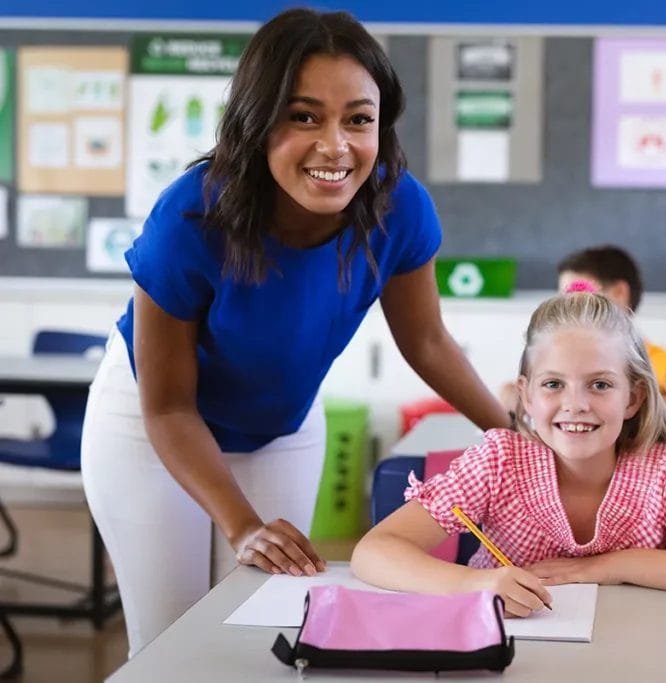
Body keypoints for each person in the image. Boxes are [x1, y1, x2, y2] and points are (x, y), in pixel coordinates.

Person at [80, 8, 509, 656]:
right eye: (303, 116)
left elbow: (426, 341)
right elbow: (168, 404)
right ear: (257, 122)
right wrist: (242, 523)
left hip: (280, 426)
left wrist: (516, 437)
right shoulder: (191, 216)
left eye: (357, 119)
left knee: (263, 624)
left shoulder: (399, 206)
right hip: (150, 424)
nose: (335, 145)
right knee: (172, 641)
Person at [351, 291, 666, 615]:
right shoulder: (499, 460)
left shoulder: (664, 470)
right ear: (526, 395)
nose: (576, 404)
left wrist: (611, 566)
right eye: (553, 384)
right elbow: (375, 552)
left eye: (599, 385)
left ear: (633, 398)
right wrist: (474, 582)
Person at [500, 245, 666, 421]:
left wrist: (619, 410)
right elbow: (510, 392)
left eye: (578, 294)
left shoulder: (646, 357)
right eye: (562, 297)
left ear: (619, 293)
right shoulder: (556, 354)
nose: (566, 307)